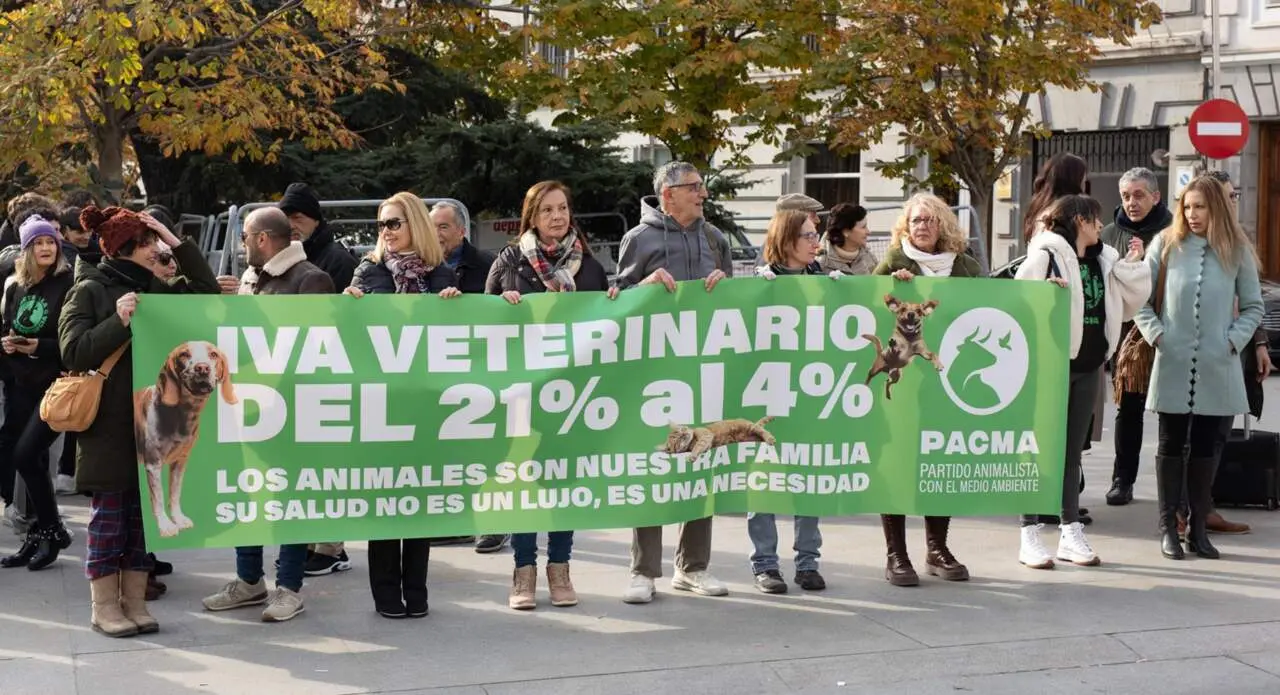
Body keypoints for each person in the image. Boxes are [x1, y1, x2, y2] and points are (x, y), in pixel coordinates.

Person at [59, 205, 220, 637]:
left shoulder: (156, 287)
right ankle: (104, 607)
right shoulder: (90, 288)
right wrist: (119, 321)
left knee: (142, 524)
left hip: (152, 427)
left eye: (156, 243)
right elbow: (73, 351)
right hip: (110, 428)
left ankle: (134, 601)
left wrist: (172, 237)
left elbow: (205, 291)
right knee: (109, 521)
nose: (156, 252)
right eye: (148, 244)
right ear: (125, 249)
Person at [200, 208, 335, 623]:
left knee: (286, 497)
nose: (241, 247)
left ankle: (289, 588)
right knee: (247, 493)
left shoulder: (310, 279)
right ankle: (248, 581)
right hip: (250, 405)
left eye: (244, 238)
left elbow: (314, 350)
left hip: (290, 411)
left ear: (262, 239)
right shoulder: (253, 280)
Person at [486, 181, 616, 609]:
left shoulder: (591, 266)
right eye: (547, 211)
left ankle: (560, 570)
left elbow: (608, 324)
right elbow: (481, 319)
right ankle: (523, 574)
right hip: (525, 391)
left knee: (563, 482)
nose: (558, 217)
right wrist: (498, 304)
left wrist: (616, 301)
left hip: (572, 393)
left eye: (563, 208)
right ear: (532, 217)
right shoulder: (509, 260)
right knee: (524, 482)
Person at [615, 161, 731, 604]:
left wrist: (723, 286)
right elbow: (618, 300)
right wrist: (644, 283)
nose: (702, 194)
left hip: (703, 368)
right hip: (654, 372)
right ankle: (643, 571)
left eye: (702, 186)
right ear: (668, 194)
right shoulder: (639, 239)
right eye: (694, 187)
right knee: (656, 465)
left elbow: (736, 306)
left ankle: (693, 567)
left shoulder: (713, 237)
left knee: (701, 463)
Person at [1014, 196, 1150, 569]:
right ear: (1080, 220)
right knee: (1040, 448)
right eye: (1095, 219)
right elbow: (1020, 299)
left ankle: (1069, 529)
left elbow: (1131, 299)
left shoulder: (1104, 258)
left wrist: (1134, 263)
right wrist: (1046, 291)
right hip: (1051, 366)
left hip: (1090, 366)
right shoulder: (1047, 253)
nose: (1100, 225)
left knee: (1072, 453)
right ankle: (1029, 533)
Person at [1134, 175, 1263, 561]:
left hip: (1217, 364)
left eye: (1200, 207)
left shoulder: (1236, 250)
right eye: (1187, 207)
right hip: (1172, 362)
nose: (1191, 214)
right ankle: (1169, 528)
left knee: (1206, 448)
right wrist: (1156, 335)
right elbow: (1140, 297)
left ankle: (1199, 530)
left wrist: (1231, 340)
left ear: (1216, 208)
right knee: (1170, 445)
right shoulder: (1165, 244)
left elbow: (1254, 306)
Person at [346, 191, 460, 618]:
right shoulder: (369, 271)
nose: (387, 232)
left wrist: (457, 307)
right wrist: (348, 305)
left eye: (394, 223)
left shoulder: (442, 273)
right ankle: (385, 594)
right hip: (381, 404)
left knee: (418, 501)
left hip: (427, 405)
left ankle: (418, 591)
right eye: (381, 225)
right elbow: (345, 333)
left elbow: (470, 335)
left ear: (415, 224)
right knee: (384, 503)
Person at [872, 192, 981, 587]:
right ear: (906, 225)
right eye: (916, 220)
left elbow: (993, 306)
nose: (922, 227)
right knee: (898, 460)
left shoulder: (965, 266)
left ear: (943, 226)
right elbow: (870, 300)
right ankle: (896, 553)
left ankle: (937, 548)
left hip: (944, 380)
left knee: (940, 459)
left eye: (930, 220)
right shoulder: (893, 263)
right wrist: (889, 282)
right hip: (903, 383)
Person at [749, 210, 840, 593]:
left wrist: (844, 292)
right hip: (768, 399)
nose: (815, 242)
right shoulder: (760, 283)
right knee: (763, 481)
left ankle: (807, 562)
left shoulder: (826, 281)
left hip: (809, 399)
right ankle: (766, 564)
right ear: (786, 240)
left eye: (815, 234)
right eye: (807, 235)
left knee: (809, 479)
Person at [275, 182, 359, 576]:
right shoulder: (285, 256)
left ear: (315, 219)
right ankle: (310, 542)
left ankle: (331, 546)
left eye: (299, 218)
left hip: (328, 370)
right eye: (287, 218)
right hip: (298, 370)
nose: (293, 225)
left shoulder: (335, 258)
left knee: (328, 464)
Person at [0, 216, 77, 571]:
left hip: (55, 384)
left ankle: (51, 528)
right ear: (26, 249)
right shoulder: (16, 285)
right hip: (20, 383)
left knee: (26, 455)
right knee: (30, 458)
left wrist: (37, 347)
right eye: (38, 243)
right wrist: (10, 344)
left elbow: (70, 342)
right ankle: (42, 532)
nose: (46, 248)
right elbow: (9, 326)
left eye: (50, 241)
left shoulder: (68, 283)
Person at [428, 199, 505, 552]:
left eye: (443, 226)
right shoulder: (421, 266)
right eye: (432, 227)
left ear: (461, 230)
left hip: (482, 371)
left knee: (485, 450)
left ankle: (493, 522)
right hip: (438, 373)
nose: (437, 234)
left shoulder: (487, 264)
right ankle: (458, 521)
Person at [1102, 167, 1175, 507]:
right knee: (1128, 410)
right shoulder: (1108, 235)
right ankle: (1122, 479)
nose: (1131, 203)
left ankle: (1175, 490)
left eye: (1139, 195)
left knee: (1171, 412)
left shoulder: (1175, 232)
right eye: (1126, 196)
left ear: (1156, 196)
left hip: (1168, 333)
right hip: (1126, 338)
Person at [1023, 153, 1090, 241]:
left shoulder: (1038, 207)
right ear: (1073, 182)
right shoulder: (1065, 213)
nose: (1084, 187)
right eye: (1083, 181)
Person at [818, 203, 876, 276]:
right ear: (846, 231)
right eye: (863, 227)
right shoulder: (820, 263)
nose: (868, 232)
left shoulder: (870, 258)